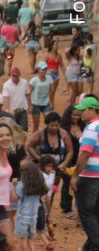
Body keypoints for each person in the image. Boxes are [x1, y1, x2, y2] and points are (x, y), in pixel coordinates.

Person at [71, 96, 99, 251]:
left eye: (84, 110)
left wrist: (75, 175)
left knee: (86, 214)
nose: (80, 113)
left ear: (93, 110)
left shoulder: (91, 127)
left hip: (89, 178)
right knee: (96, 214)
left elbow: (85, 154)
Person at [11, 163, 50, 251]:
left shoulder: (22, 187)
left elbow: (14, 198)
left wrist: (14, 186)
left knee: (23, 240)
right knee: (30, 239)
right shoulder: (39, 186)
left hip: (23, 218)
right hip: (33, 217)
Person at [60, 104, 85, 215]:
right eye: (74, 115)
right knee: (67, 181)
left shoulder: (83, 126)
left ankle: (78, 206)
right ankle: (66, 206)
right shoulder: (63, 127)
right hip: (67, 157)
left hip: (80, 158)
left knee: (79, 182)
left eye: (78, 115)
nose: (76, 117)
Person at [2, 67, 32, 131]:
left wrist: (30, 105)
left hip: (22, 110)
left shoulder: (24, 82)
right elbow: (6, 98)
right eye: (13, 75)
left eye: (16, 75)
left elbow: (27, 94)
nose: (14, 77)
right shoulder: (6, 85)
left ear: (19, 75)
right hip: (12, 111)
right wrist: (9, 109)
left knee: (24, 130)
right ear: (11, 75)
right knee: (13, 130)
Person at [29, 62, 55, 132]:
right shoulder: (34, 80)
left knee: (49, 121)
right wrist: (30, 105)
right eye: (42, 69)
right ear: (38, 70)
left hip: (45, 103)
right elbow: (29, 93)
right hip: (36, 104)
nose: (44, 71)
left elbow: (52, 90)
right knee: (36, 125)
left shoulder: (49, 78)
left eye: (45, 69)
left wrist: (51, 102)